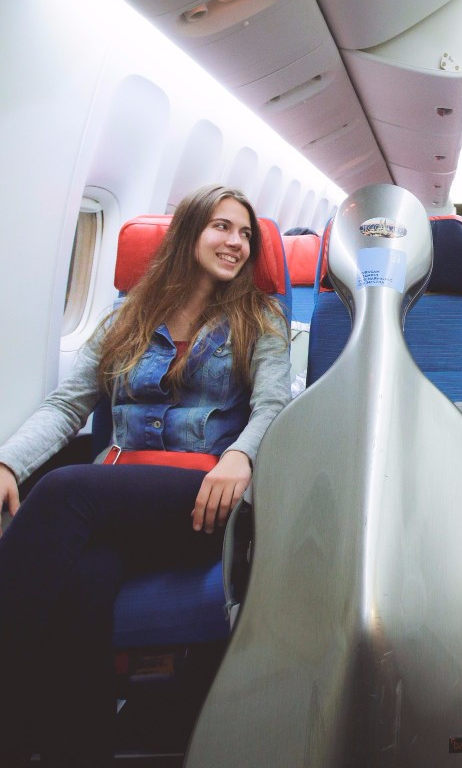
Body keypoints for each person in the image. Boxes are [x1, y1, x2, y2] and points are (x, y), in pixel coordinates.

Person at [0, 184, 291, 767]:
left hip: (201, 496)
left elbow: (273, 408)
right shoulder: (125, 317)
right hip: (116, 498)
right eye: (221, 226)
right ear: (188, 233)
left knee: (61, 489)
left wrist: (242, 456)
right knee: (82, 588)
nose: (236, 242)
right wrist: (8, 462)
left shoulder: (260, 319)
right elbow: (67, 406)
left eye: (245, 234)